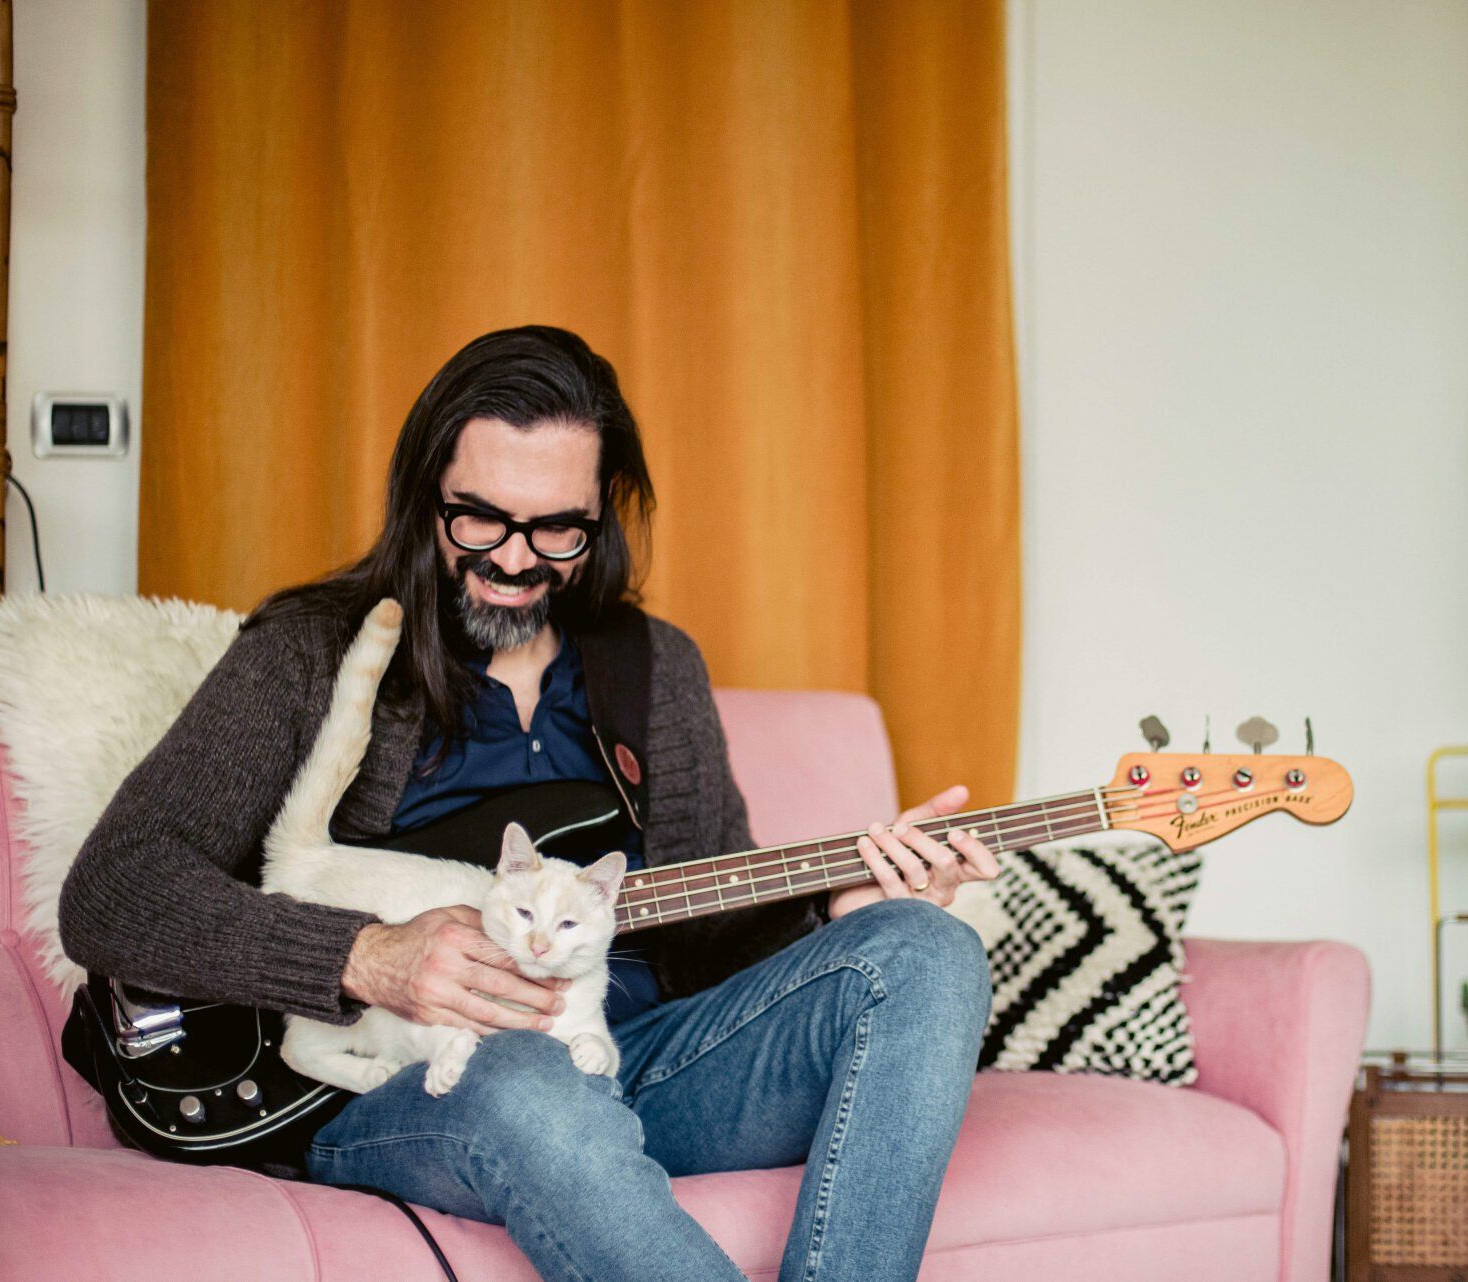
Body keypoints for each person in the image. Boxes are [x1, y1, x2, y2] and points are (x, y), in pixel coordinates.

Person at [58, 325, 1002, 1282]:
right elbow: (111, 889)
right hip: (419, 1080)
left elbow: (703, 935)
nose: (514, 560)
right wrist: (365, 956)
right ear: (424, 495)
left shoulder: (655, 668)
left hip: (630, 1051)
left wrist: (832, 912)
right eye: (479, 519)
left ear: (602, 517)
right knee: (524, 1076)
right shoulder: (309, 651)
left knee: (928, 952)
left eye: (557, 529)